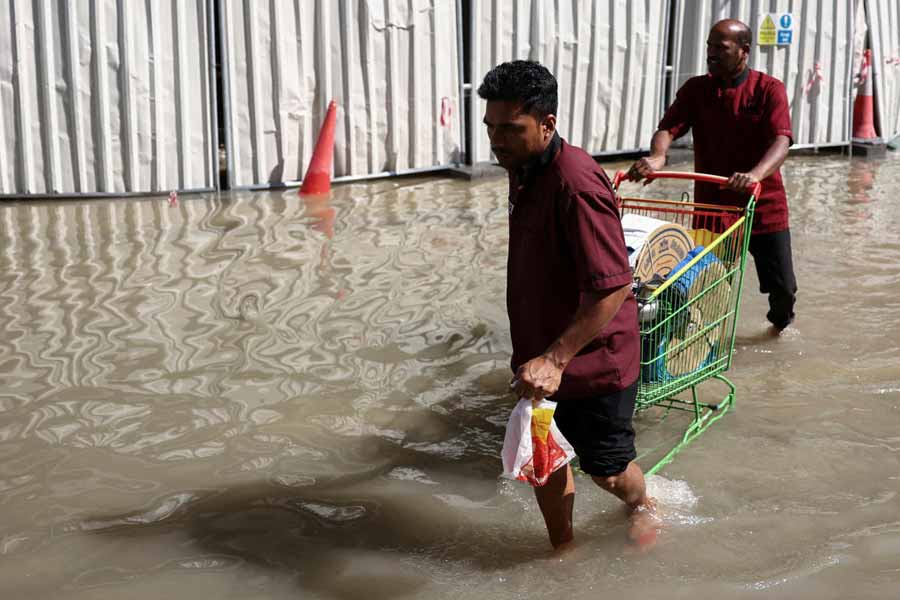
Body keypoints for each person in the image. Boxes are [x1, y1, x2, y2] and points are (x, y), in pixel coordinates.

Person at [478, 60, 658, 550]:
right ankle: (563, 551)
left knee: (610, 473)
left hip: (593, 362)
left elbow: (612, 286)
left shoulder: (575, 183)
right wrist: (538, 357)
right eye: (491, 127)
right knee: (545, 459)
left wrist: (556, 359)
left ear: (548, 124)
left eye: (510, 128)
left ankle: (644, 503)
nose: (496, 140)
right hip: (540, 355)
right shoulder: (522, 167)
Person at [628, 18, 797, 334]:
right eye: (709, 45)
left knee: (784, 289)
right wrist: (658, 156)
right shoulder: (696, 90)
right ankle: (704, 339)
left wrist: (754, 175)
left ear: (744, 51)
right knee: (708, 285)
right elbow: (668, 127)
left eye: (721, 47)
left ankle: (778, 331)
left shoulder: (769, 89)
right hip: (713, 207)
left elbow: (782, 140)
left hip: (763, 207)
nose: (711, 53)